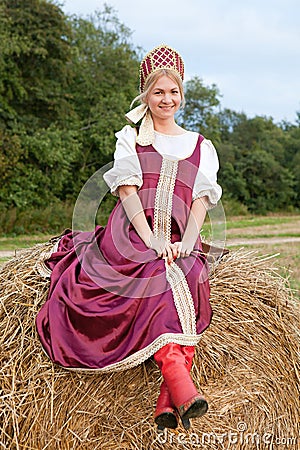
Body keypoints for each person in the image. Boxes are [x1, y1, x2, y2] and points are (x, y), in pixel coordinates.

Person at [35, 44, 222, 431]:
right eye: (158, 92)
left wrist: (187, 240)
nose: (166, 99)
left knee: (187, 275)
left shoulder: (202, 146)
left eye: (173, 92)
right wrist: (152, 241)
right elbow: (127, 193)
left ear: (182, 94)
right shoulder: (130, 138)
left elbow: (202, 201)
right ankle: (179, 382)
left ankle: (168, 400)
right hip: (132, 233)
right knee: (155, 277)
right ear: (145, 95)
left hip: (179, 234)